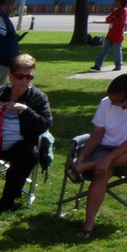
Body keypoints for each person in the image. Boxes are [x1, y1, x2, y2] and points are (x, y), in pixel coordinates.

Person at [0, 53, 52, 211]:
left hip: (18, 145)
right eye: (20, 76)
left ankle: (7, 201)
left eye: (29, 77)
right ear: (11, 76)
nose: (25, 81)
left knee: (29, 155)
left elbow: (44, 125)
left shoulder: (38, 98)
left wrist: (25, 110)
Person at [67, 74, 127, 238]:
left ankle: (85, 167)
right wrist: (83, 155)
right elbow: (97, 134)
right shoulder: (106, 103)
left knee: (104, 166)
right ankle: (88, 226)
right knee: (103, 172)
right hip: (105, 147)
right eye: (111, 100)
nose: (112, 104)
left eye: (118, 101)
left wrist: (105, 160)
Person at [92, 0, 127, 72]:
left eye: (117, 2)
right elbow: (108, 19)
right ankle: (98, 65)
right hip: (110, 34)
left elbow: (119, 21)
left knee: (117, 51)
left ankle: (118, 65)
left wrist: (113, 18)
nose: (115, 3)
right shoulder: (115, 11)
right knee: (104, 50)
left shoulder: (124, 11)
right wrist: (114, 17)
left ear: (121, 3)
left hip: (118, 35)